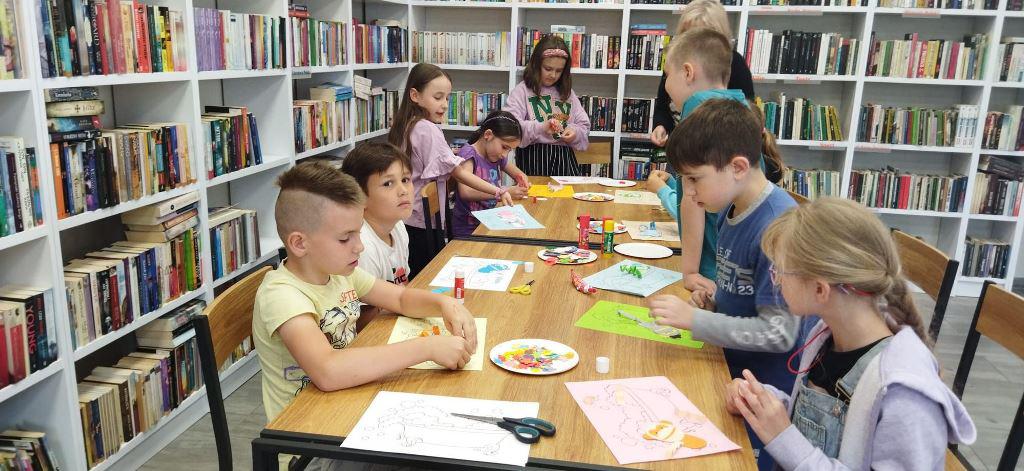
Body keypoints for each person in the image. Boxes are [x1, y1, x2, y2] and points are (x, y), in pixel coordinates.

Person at [726, 197, 976, 470]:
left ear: (820, 289)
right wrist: (765, 401)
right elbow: (820, 425)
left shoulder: (904, 396)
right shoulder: (826, 333)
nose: (775, 280)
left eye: (779, 271)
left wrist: (783, 438)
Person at [253, 162, 478, 433]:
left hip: (348, 403)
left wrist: (445, 304)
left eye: (358, 232)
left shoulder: (337, 272)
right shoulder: (282, 295)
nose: (359, 246)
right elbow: (328, 371)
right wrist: (427, 348)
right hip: (307, 434)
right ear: (300, 243)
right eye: (345, 238)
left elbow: (400, 299)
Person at [648, 98, 799, 470]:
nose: (688, 192)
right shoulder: (730, 207)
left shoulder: (777, 227)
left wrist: (697, 320)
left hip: (764, 398)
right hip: (729, 371)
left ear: (738, 168)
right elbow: (746, 292)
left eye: (694, 179)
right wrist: (716, 301)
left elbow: (780, 333)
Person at [388, 63, 526, 277]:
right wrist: (498, 191)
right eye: (438, 97)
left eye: (447, 98)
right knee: (426, 275)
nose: (444, 105)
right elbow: (460, 173)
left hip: (408, 217)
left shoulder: (410, 124)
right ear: (415, 96)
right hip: (420, 221)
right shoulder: (427, 129)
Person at [649, 0, 755, 148]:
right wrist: (661, 125)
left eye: (702, 35)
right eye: (689, 34)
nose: (695, 41)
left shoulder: (734, 64)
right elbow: (663, 103)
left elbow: (747, 113)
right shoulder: (676, 61)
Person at [504, 34, 592, 176]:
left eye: (559, 71)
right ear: (536, 65)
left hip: (565, 162)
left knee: (566, 192)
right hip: (532, 159)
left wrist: (573, 133)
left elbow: (584, 127)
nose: (553, 75)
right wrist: (542, 127)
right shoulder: (522, 91)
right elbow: (510, 127)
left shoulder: (568, 94)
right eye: (548, 68)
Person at [452, 110, 529, 238]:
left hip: (490, 223)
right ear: (488, 135)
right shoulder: (469, 154)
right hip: (469, 229)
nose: (505, 155)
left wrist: (522, 180)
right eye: (504, 147)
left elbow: (519, 174)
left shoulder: (496, 156)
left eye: (509, 150)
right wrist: (504, 192)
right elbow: (465, 192)